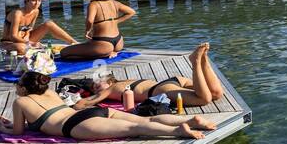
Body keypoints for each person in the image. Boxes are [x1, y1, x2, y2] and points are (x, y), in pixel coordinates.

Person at [0, 70, 214, 142]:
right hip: (91, 113)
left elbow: (18, 131)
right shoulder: (51, 93)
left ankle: (178, 131)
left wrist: (2, 128)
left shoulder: (20, 101)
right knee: (144, 120)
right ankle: (189, 121)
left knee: (134, 129)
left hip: (75, 125)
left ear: (23, 88)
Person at [73, 42, 227, 109]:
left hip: (161, 89)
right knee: (216, 93)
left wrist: (71, 103)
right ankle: (204, 60)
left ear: (110, 80)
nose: (96, 87)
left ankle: (195, 62)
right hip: (173, 82)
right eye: (94, 86)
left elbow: (84, 103)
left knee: (204, 99)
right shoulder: (120, 84)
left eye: (97, 83)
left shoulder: (111, 89)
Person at [59, 0, 134, 60]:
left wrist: (88, 30)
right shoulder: (114, 2)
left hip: (103, 44)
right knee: (87, 47)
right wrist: (116, 21)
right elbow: (131, 12)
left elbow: (90, 21)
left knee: (64, 52)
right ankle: (110, 51)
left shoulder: (93, 4)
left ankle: (103, 53)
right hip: (119, 42)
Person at [0, 0, 79, 54]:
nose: (37, 3)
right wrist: (30, 43)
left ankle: (74, 43)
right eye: (34, 1)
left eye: (39, 1)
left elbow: (29, 29)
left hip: (25, 40)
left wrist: (28, 41)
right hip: (9, 43)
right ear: (26, 1)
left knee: (49, 24)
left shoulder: (36, 11)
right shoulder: (17, 13)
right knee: (21, 48)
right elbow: (12, 36)